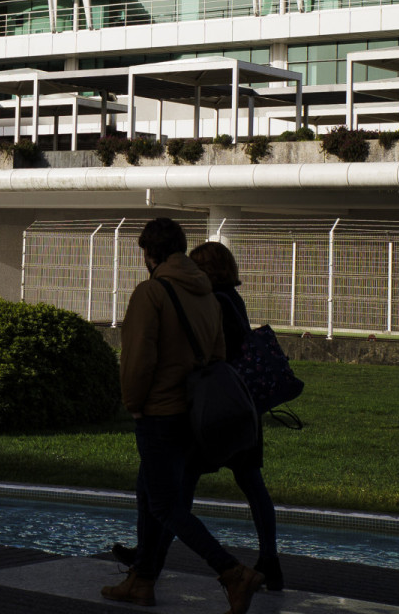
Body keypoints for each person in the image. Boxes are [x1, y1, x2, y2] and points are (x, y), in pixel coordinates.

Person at [102, 218, 265, 610]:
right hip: (191, 415)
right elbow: (218, 355)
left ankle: (231, 571)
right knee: (150, 495)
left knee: (163, 506)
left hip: (158, 412)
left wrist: (134, 405)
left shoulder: (151, 292)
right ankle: (141, 581)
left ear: (149, 253)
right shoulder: (206, 293)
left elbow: (138, 360)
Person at [189, 240, 283, 592]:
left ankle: (148, 557)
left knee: (182, 483)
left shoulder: (214, 301)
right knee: (252, 483)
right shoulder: (234, 299)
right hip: (242, 404)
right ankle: (270, 558)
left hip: (219, 404)